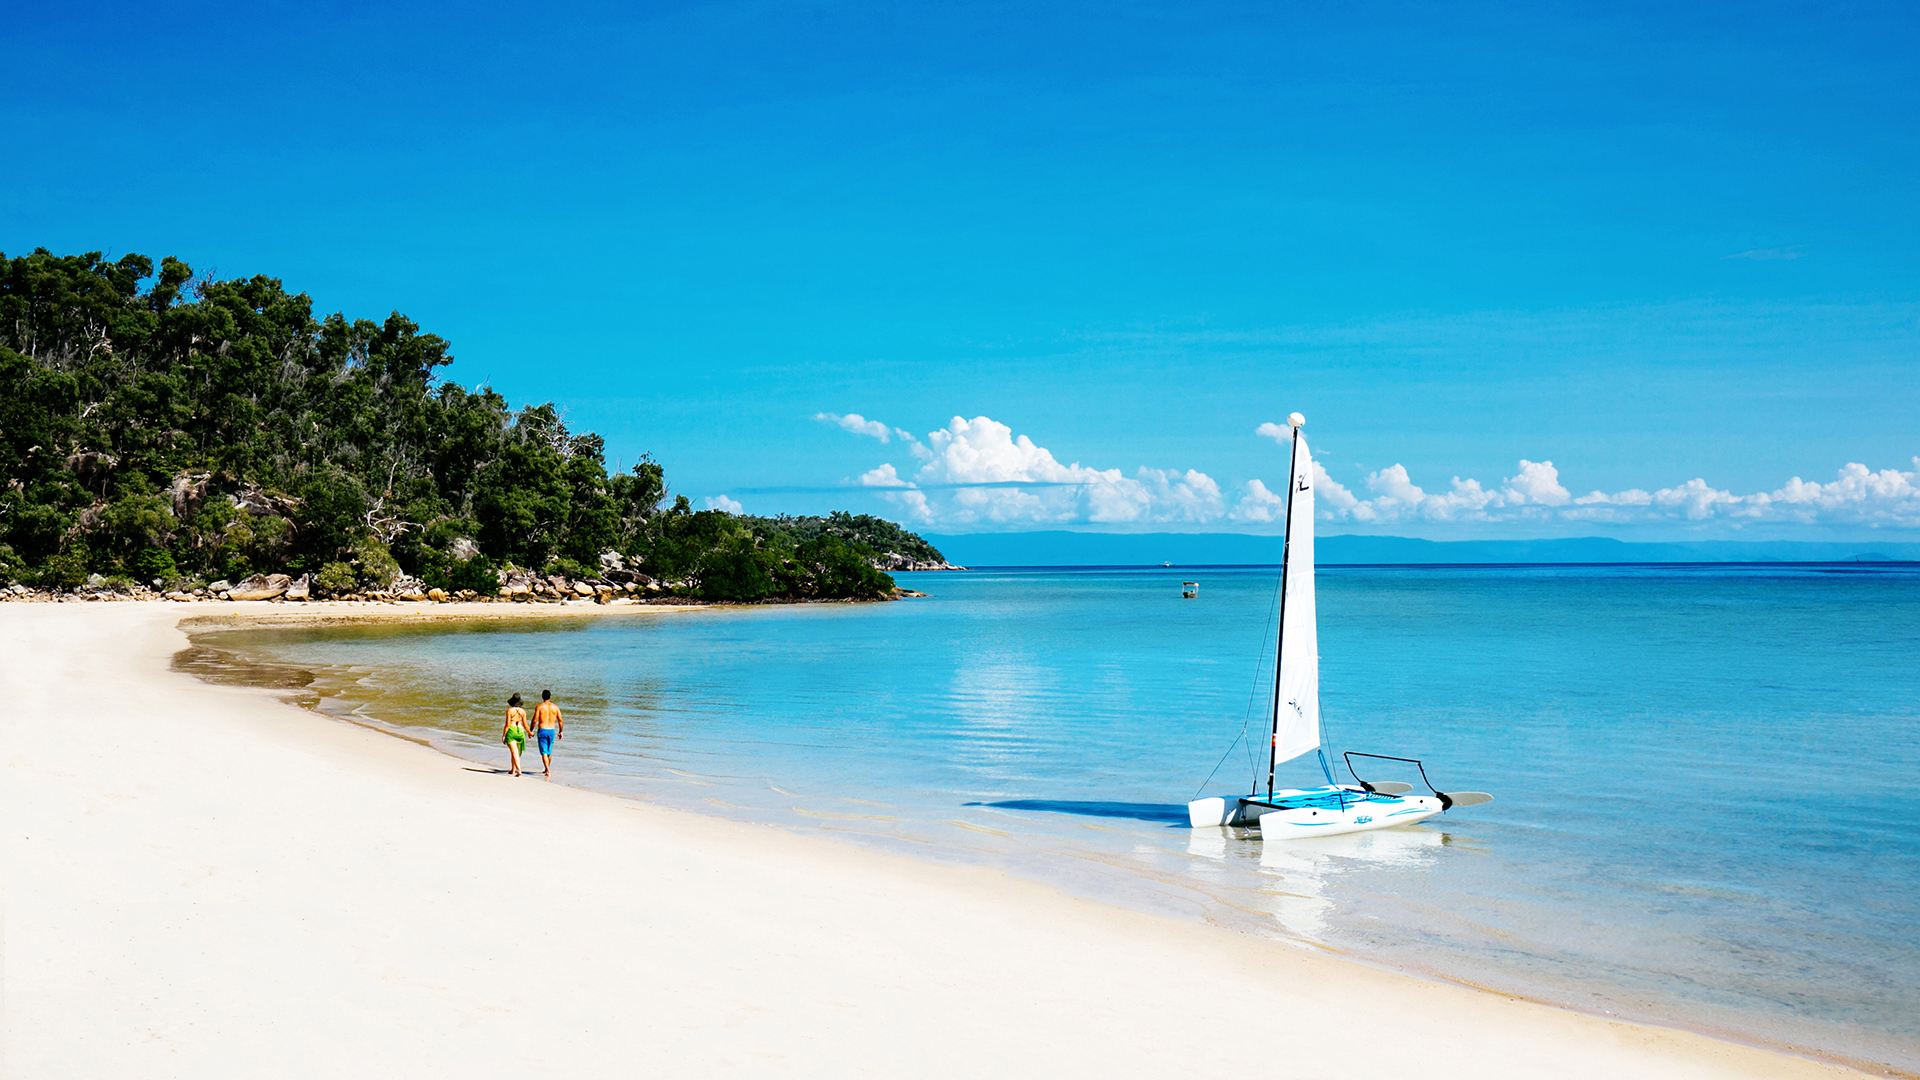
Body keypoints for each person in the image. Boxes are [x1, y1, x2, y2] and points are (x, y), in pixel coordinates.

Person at [532, 689, 563, 778]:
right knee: (549, 751)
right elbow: (560, 720)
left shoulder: (539, 707)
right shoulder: (555, 707)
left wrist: (531, 730)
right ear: (550, 697)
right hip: (551, 730)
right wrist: (561, 731)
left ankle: (547, 770)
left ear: (542, 697)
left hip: (542, 729)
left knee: (544, 752)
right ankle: (546, 768)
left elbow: (535, 720)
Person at [502, 694, 529, 776]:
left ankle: (519, 770)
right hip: (520, 731)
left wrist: (504, 735)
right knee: (515, 752)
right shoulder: (523, 711)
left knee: (514, 752)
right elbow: (525, 724)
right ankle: (513, 769)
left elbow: (507, 725)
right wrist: (530, 732)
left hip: (512, 730)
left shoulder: (509, 711)